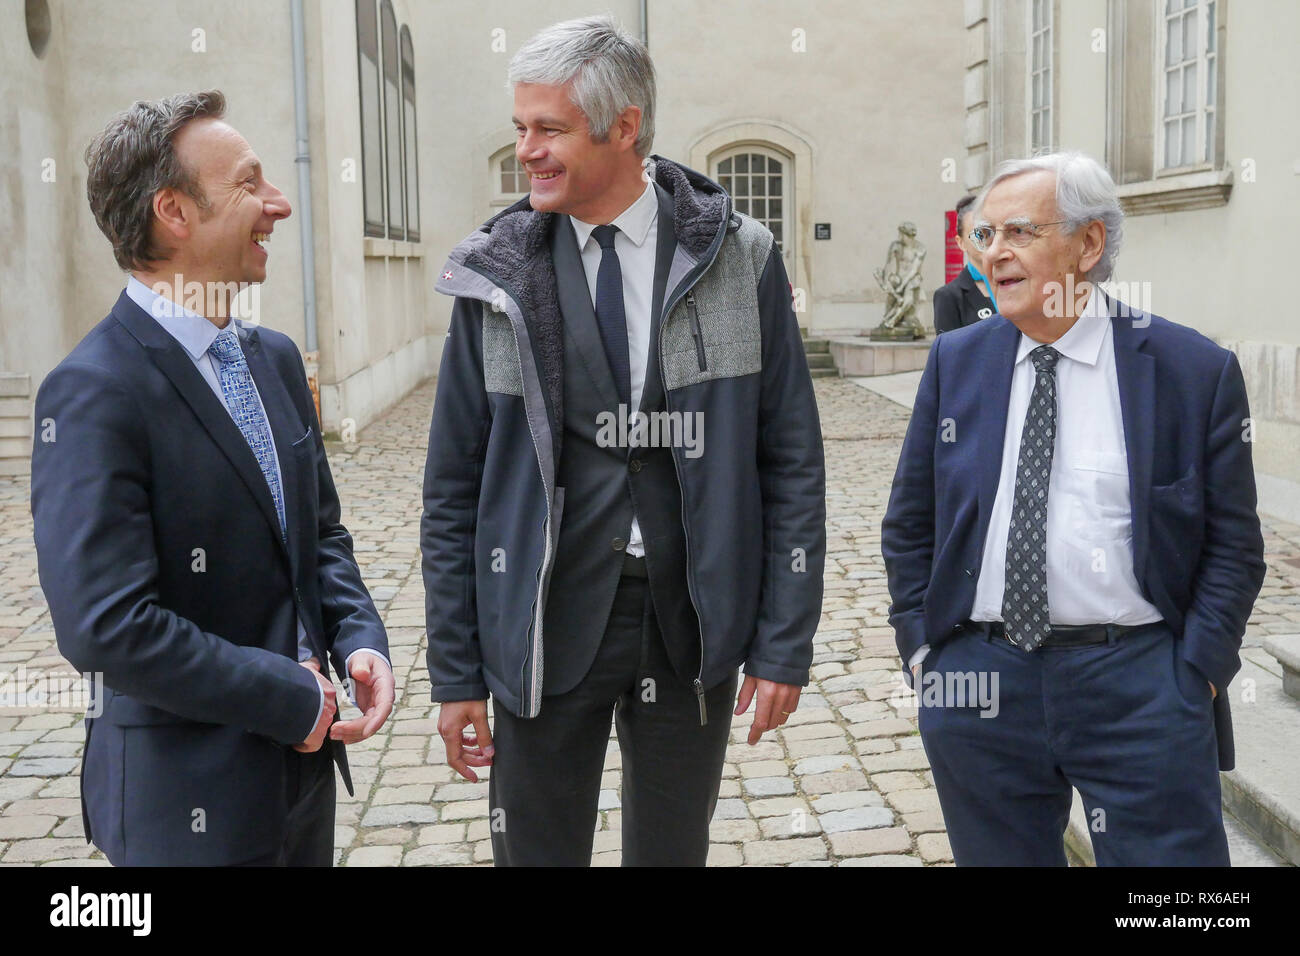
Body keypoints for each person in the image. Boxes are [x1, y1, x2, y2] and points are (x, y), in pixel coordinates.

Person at [421, 16, 826, 866]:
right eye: (519, 129)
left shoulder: (740, 259)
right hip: (543, 616)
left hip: (693, 623)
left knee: (673, 853)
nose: (527, 149)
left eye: (549, 129)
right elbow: (453, 487)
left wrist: (783, 642)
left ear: (626, 126)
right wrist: (456, 673)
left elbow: (790, 461)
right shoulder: (492, 277)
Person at [30, 91, 393, 866]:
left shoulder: (278, 359)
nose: (279, 203)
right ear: (175, 212)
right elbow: (106, 627)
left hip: (302, 786)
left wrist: (361, 640)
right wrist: (290, 697)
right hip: (184, 803)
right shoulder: (92, 391)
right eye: (251, 184)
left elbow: (319, 534)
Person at [880, 151, 1265, 866]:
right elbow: (911, 522)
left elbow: (1234, 546)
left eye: (1019, 232)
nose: (995, 253)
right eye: (984, 236)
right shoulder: (957, 361)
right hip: (980, 682)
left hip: (1139, 685)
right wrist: (925, 653)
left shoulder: (1190, 371)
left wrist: (1195, 675)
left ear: (1089, 244)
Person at [932, 193, 996, 333]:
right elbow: (949, 353)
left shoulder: (1016, 284)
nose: (986, 240)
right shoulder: (949, 296)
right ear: (961, 243)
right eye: (978, 234)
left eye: (990, 231)